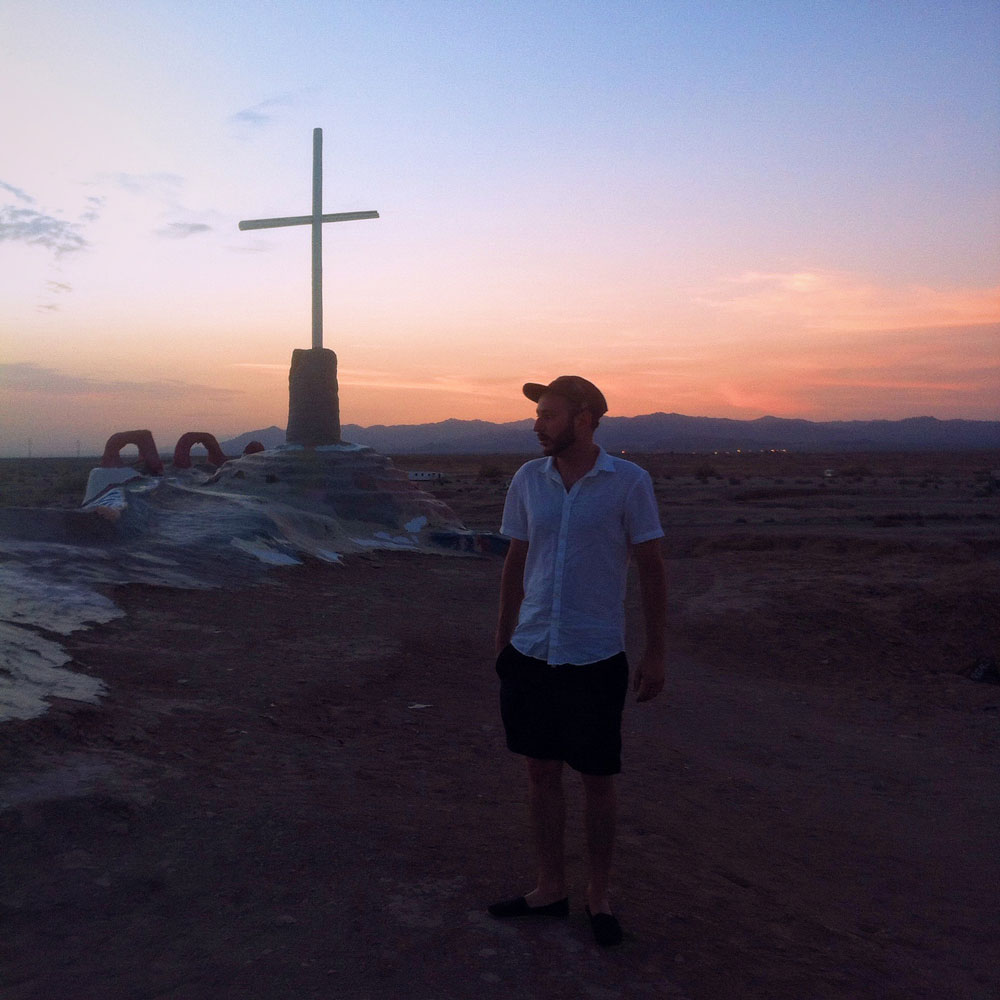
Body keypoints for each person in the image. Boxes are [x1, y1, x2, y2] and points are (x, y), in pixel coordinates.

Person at [488, 375, 667, 947]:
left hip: (594, 653)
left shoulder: (629, 483)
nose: (537, 424)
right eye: (538, 415)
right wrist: (503, 639)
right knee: (540, 773)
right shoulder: (527, 480)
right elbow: (516, 559)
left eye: (549, 415)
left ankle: (598, 895)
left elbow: (651, 569)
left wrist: (656, 651)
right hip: (533, 649)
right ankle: (549, 888)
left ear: (585, 418)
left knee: (597, 780)